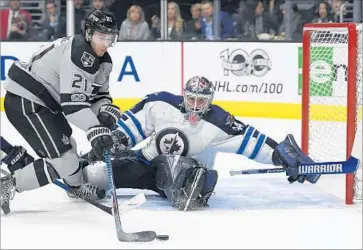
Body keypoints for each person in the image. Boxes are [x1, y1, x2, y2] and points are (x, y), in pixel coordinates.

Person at [81, 76, 320, 211]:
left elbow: (252, 142)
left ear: (210, 101)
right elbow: (132, 126)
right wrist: (116, 140)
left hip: (181, 176)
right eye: (192, 99)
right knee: (95, 174)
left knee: (187, 174)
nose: (195, 106)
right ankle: (78, 175)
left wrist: (281, 155)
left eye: (201, 100)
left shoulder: (219, 121)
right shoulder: (161, 103)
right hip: (146, 165)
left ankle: (196, 184)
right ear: (184, 96)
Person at [0, 9, 122, 215]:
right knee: (65, 161)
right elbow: (72, 107)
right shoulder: (79, 54)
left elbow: (98, 96)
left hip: (44, 102)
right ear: (89, 33)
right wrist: (96, 130)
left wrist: (105, 113)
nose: (105, 43)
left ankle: (75, 187)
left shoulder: (103, 61)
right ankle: (9, 183)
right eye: (102, 36)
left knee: (70, 147)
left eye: (110, 38)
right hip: (27, 102)